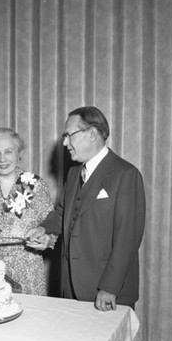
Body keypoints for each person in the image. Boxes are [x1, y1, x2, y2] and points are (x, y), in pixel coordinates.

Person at [26, 106, 145, 311]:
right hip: (70, 288)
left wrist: (109, 287)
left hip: (106, 292)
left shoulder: (126, 174)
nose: (64, 143)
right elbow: (62, 212)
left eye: (68, 135)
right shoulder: (74, 173)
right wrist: (43, 228)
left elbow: (128, 239)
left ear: (92, 134)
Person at [0, 128, 56, 295]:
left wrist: (47, 239)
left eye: (8, 152)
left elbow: (53, 225)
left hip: (27, 272)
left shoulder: (35, 185)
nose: (2, 159)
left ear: (19, 153)